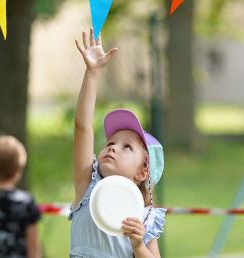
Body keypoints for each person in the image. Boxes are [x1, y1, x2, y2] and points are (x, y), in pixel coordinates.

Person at [69, 28, 166, 258]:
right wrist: (92, 73)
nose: (112, 147)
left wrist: (139, 245)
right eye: (111, 142)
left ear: (143, 171)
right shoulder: (86, 186)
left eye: (127, 147)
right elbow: (82, 127)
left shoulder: (144, 218)